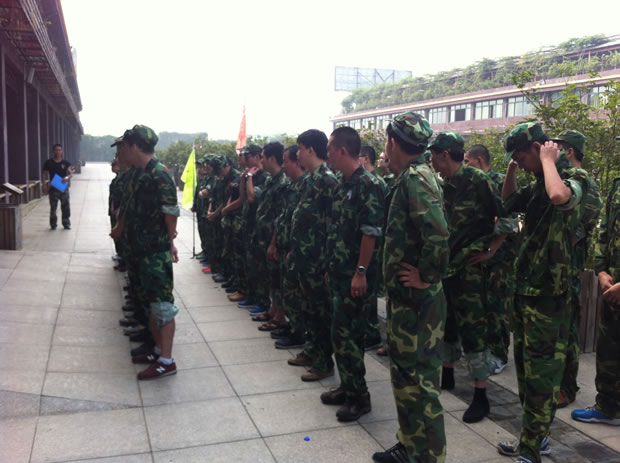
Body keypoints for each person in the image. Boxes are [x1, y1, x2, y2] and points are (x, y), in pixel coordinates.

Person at [497, 122, 589, 463]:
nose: (520, 165)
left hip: (550, 296)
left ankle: (531, 450)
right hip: (527, 290)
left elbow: (560, 197)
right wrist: (512, 167)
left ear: (538, 149)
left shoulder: (574, 178)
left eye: (521, 157)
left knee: (541, 376)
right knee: (525, 372)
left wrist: (549, 160)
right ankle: (535, 438)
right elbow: (507, 203)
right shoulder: (538, 181)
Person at [371, 112, 449, 463]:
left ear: (392, 142)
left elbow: (438, 233)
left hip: (418, 302)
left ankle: (429, 457)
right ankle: (410, 445)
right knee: (406, 379)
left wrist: (427, 276)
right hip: (407, 301)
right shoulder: (410, 176)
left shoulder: (416, 178)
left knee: (420, 383)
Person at [431, 132, 507, 424]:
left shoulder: (478, 181)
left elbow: (507, 217)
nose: (432, 161)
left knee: (474, 330)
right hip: (447, 267)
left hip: (470, 270)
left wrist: (491, 249)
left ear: (445, 155)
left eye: (434, 156)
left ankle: (480, 395)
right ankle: (447, 373)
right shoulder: (443, 184)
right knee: (447, 323)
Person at [320, 127, 384, 421]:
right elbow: (337, 230)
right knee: (339, 334)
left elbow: (370, 233)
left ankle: (359, 397)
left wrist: (360, 272)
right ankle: (347, 386)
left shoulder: (368, 185)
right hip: (340, 272)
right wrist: (330, 267)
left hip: (356, 276)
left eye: (330, 150)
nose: (328, 156)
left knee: (351, 336)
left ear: (342, 151)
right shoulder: (342, 184)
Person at [112, 124, 181, 380]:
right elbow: (128, 205)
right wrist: (120, 227)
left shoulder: (159, 174)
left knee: (162, 305)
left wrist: (169, 242)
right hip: (139, 250)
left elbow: (170, 212)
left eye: (124, 146)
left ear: (134, 146)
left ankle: (167, 361)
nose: (121, 151)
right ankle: (157, 350)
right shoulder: (139, 173)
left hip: (154, 253)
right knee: (150, 304)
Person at [550, 131, 602, 408]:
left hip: (568, 266)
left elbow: (581, 225)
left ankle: (566, 387)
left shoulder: (583, 183)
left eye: (558, 147)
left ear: (568, 152)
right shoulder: (564, 179)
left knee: (566, 328)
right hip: (556, 266)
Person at [287, 129, 339, 381]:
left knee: (320, 312)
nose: (297, 154)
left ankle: (323, 361)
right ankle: (311, 350)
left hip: (318, 260)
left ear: (310, 150)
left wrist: (328, 262)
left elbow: (334, 224)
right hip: (303, 257)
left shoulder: (328, 181)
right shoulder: (308, 180)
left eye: (299, 149)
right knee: (307, 308)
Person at [571, 163, 620, 427]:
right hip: (611, 288)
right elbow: (604, 232)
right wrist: (601, 271)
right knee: (608, 351)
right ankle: (608, 407)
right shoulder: (617, 186)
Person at [464, 144, 518, 374]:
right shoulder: (474, 183)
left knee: (497, 307)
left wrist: (492, 250)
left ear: (478, 160)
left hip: (500, 259)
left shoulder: (497, 182)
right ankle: (484, 350)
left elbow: (509, 220)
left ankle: (499, 354)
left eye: (467, 161)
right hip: (481, 257)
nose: (465, 165)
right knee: (483, 306)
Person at [42, 143, 72, 230]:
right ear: (53, 151)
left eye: (59, 150)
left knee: (65, 206)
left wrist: (66, 178)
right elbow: (44, 173)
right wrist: (44, 185)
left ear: (62, 151)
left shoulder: (65, 163)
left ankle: (66, 223)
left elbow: (70, 174)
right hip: (53, 187)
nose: (58, 152)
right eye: (56, 150)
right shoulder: (49, 162)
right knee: (53, 207)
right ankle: (53, 224)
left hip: (63, 187)